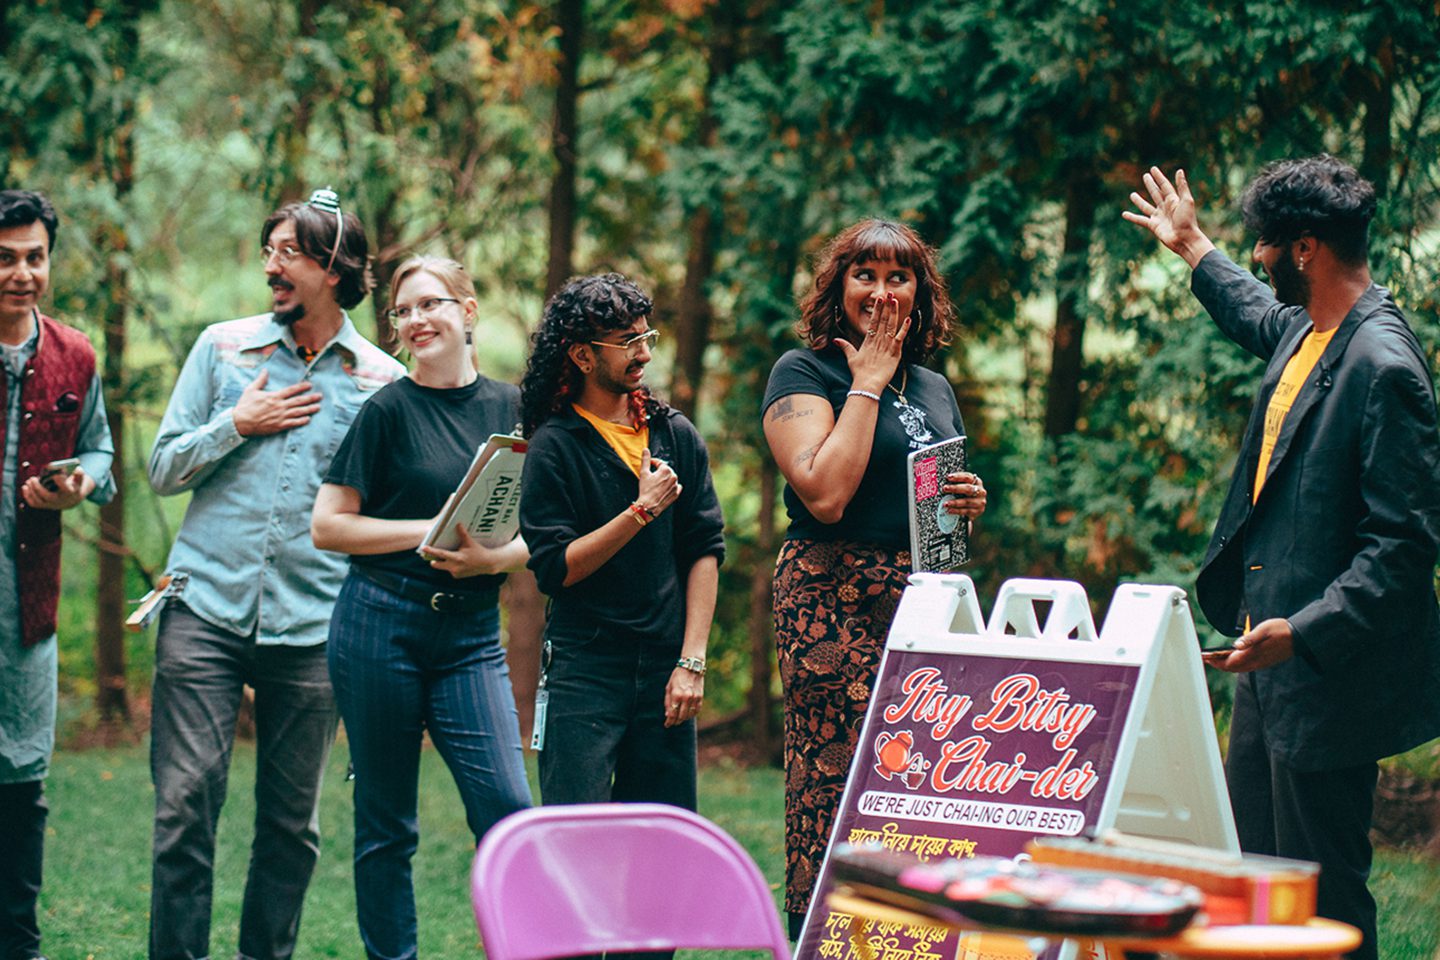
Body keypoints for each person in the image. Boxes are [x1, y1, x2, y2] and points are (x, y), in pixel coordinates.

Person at [1124, 157, 1440, 960]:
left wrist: (1301, 632)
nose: (1258, 257)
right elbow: (1256, 313)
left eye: (1266, 245)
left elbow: (1400, 552)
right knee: (1260, 885)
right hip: (1271, 671)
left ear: (1305, 249)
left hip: (1327, 672)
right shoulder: (1311, 330)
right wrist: (1194, 248)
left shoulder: (1385, 368)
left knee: (1323, 899)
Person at [146, 189, 405, 960]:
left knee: (291, 829)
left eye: (287, 252)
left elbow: (384, 512)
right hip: (202, 607)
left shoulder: (381, 383)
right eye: (268, 251)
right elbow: (161, 467)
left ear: (332, 267)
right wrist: (237, 424)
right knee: (184, 805)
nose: (270, 266)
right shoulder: (222, 349)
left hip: (318, 625)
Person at [761, 218, 987, 938]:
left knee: (918, 783)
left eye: (899, 276)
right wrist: (866, 383)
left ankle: (905, 940)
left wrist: (963, 506)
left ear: (919, 293)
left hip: (919, 598)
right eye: (866, 274)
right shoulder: (804, 372)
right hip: (829, 598)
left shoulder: (935, 387)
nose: (882, 291)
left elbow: (920, 505)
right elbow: (824, 492)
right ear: (840, 287)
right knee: (836, 783)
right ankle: (821, 939)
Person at [311, 255, 532, 960]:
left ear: (468, 311)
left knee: (507, 812)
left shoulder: (516, 410)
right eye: (403, 311)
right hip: (380, 622)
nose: (415, 321)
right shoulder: (385, 412)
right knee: (386, 826)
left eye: (430, 304)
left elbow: (545, 529)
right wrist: (431, 530)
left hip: (471, 635)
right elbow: (329, 526)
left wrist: (492, 558)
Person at [517, 272, 724, 816]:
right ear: (583, 357)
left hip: (664, 671)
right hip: (584, 673)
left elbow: (704, 548)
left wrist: (692, 662)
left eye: (646, 338)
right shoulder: (554, 447)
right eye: (627, 343)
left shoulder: (674, 434)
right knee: (576, 838)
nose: (644, 354)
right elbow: (555, 569)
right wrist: (640, 511)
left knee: (662, 843)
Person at [0, 189, 115, 960]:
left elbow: (101, 454)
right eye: (6, 259)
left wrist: (81, 483)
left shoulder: (74, 355)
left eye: (34, 257)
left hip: (28, 600)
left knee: (20, 779)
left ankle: (19, 941)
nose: (21, 273)